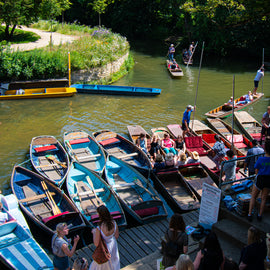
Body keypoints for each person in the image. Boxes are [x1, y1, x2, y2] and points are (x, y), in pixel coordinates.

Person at [89, 205, 120, 270]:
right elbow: (116, 236)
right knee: (114, 261)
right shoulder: (114, 223)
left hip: (105, 247)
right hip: (113, 244)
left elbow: (96, 243)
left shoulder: (99, 228)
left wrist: (94, 232)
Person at [248, 139, 270, 221]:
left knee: (253, 196)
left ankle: (250, 214)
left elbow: (256, 170)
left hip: (260, 178)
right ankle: (260, 215)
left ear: (265, 149)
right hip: (268, 179)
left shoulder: (261, 159)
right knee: (264, 198)